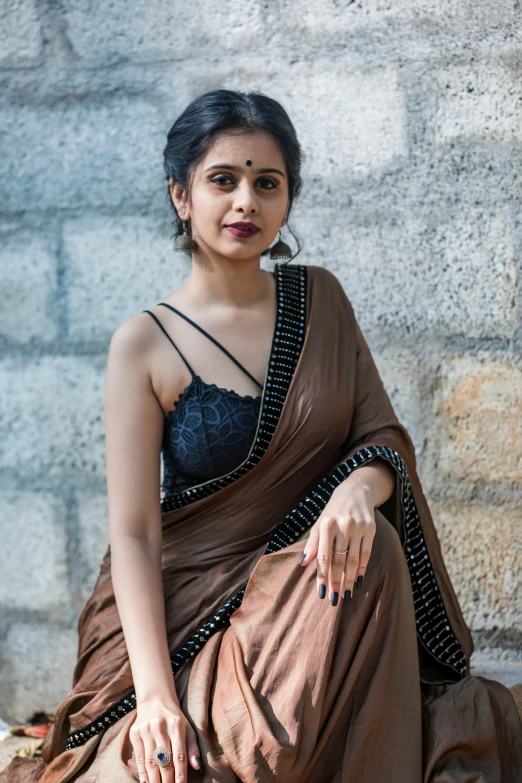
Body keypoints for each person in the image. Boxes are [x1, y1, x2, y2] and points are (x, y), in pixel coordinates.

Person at [2, 88, 521, 783]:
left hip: (308, 599)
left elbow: (383, 437)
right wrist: (156, 697)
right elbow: (134, 534)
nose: (245, 201)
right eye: (224, 180)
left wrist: (357, 491)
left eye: (266, 183)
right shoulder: (145, 344)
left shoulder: (322, 303)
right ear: (182, 195)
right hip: (191, 616)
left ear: (285, 202)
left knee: (376, 550)